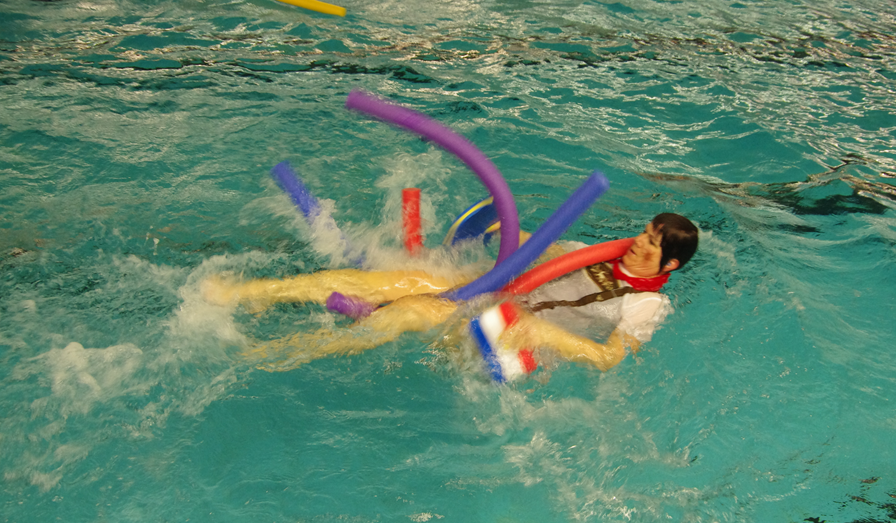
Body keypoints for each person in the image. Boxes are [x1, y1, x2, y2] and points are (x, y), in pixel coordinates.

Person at [203, 212, 699, 373]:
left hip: (508, 335)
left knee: (401, 315)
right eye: (643, 232)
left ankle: (268, 355)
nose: (638, 242)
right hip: (491, 292)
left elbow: (608, 358)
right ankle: (251, 292)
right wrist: (497, 227)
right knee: (393, 281)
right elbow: (540, 251)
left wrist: (539, 331)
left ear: (670, 263)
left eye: (652, 243)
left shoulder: (648, 304)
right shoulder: (596, 252)